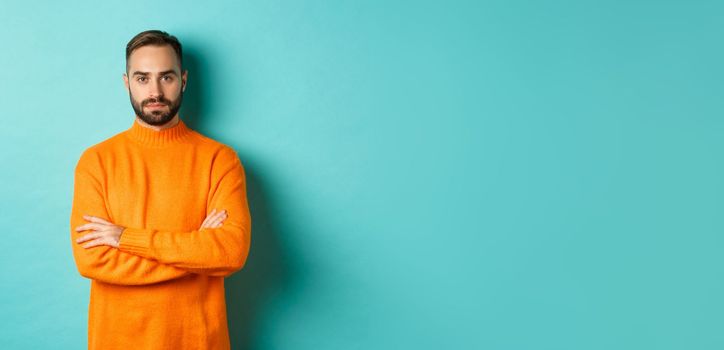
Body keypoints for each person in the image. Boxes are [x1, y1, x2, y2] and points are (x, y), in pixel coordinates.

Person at [69, 29, 252, 350]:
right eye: (142, 79)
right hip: (118, 341)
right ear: (126, 83)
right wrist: (195, 253)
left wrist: (125, 239)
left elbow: (230, 252)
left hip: (198, 341)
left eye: (166, 77)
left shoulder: (219, 160)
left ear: (183, 80)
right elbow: (92, 261)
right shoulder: (96, 161)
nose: (154, 91)